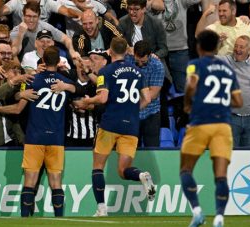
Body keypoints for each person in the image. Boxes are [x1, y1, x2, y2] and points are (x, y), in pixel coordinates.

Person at [78, 37, 155, 217]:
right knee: (123, 170)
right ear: (125, 51)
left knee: (98, 166)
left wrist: (88, 100)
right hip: (131, 126)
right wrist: (132, 110)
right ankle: (141, 175)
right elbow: (148, 99)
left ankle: (101, 208)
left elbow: (103, 98)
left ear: (110, 52)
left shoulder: (106, 71)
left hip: (110, 123)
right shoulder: (138, 72)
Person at [180, 30, 243, 227]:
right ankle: (219, 219)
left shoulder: (195, 65)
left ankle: (197, 211)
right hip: (223, 126)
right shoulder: (227, 69)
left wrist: (188, 104)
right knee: (221, 176)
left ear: (199, 47)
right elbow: (238, 102)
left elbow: (191, 84)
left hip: (200, 123)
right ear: (217, 48)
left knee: (186, 170)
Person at [19, 46, 75, 217]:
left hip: (35, 136)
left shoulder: (32, 80)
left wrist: (20, 94)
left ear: (43, 60)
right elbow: (76, 91)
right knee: (56, 181)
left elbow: (19, 100)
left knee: (30, 180)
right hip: (56, 137)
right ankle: (59, 219)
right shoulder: (65, 83)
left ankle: (24, 219)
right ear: (58, 62)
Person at [216, 35, 250, 147]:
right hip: (232, 117)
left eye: (241, 47)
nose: (237, 49)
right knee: (231, 155)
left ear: (249, 50)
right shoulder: (226, 61)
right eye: (236, 46)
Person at [195, 0, 250, 67]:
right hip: (223, 68)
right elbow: (197, 34)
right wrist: (206, 14)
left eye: (224, 11)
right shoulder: (214, 28)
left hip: (244, 67)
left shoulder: (245, 24)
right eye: (219, 11)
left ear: (233, 11)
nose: (221, 14)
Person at [125, 40, 164, 147]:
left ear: (149, 55)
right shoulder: (127, 59)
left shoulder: (157, 66)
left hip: (150, 114)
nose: (140, 64)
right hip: (131, 115)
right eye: (138, 61)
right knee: (130, 151)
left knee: (152, 150)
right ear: (134, 54)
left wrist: (132, 102)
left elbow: (153, 93)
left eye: (144, 62)